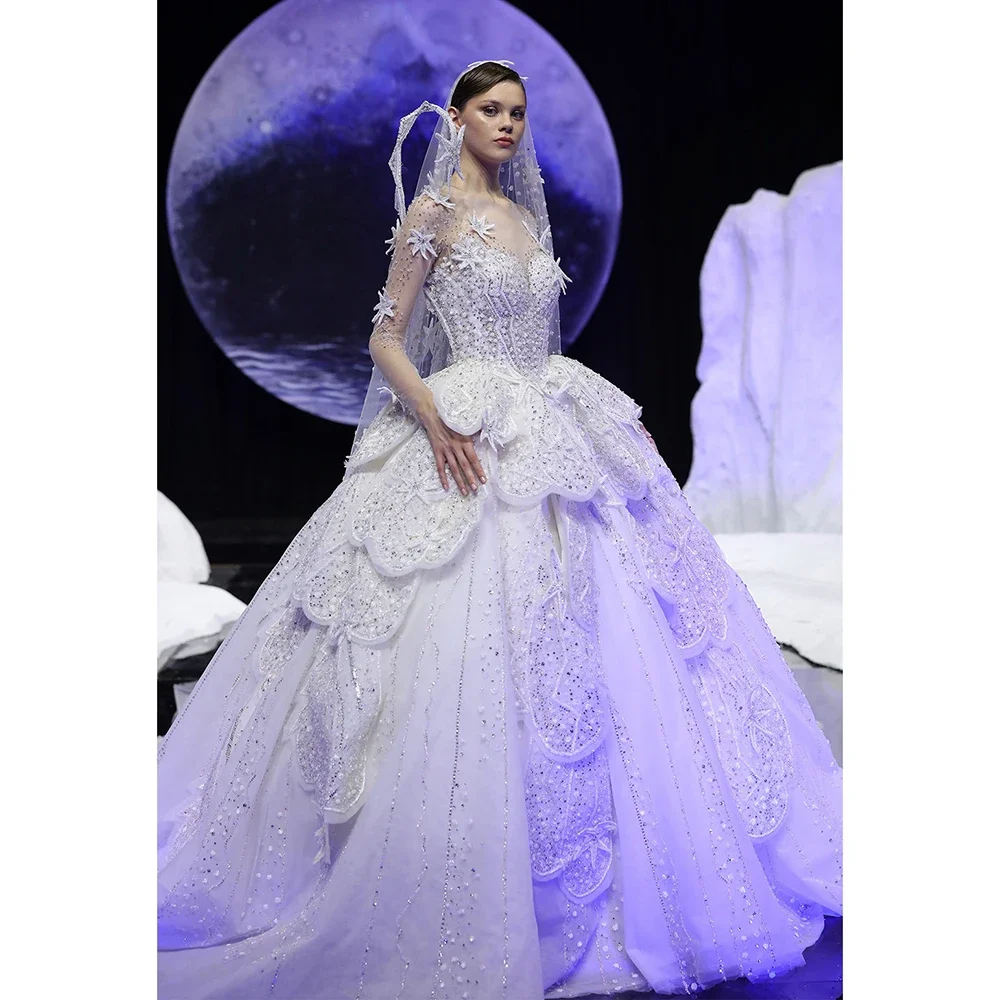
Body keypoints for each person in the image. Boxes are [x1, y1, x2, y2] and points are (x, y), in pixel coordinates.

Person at [157, 60, 842, 1000]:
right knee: (441, 628)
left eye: (517, 111)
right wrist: (436, 417)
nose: (508, 124)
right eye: (491, 109)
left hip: (545, 417)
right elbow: (385, 338)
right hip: (464, 423)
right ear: (458, 117)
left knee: (615, 628)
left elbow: (541, 343)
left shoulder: (524, 215)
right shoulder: (432, 213)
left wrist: (601, 422)